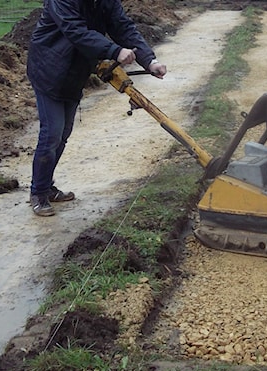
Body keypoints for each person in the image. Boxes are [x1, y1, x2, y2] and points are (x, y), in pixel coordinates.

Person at [26, 0, 167, 216]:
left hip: (74, 72)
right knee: (52, 133)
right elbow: (76, 31)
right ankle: (38, 192)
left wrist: (149, 60)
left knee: (62, 134)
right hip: (49, 69)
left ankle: (47, 186)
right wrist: (114, 50)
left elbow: (123, 27)